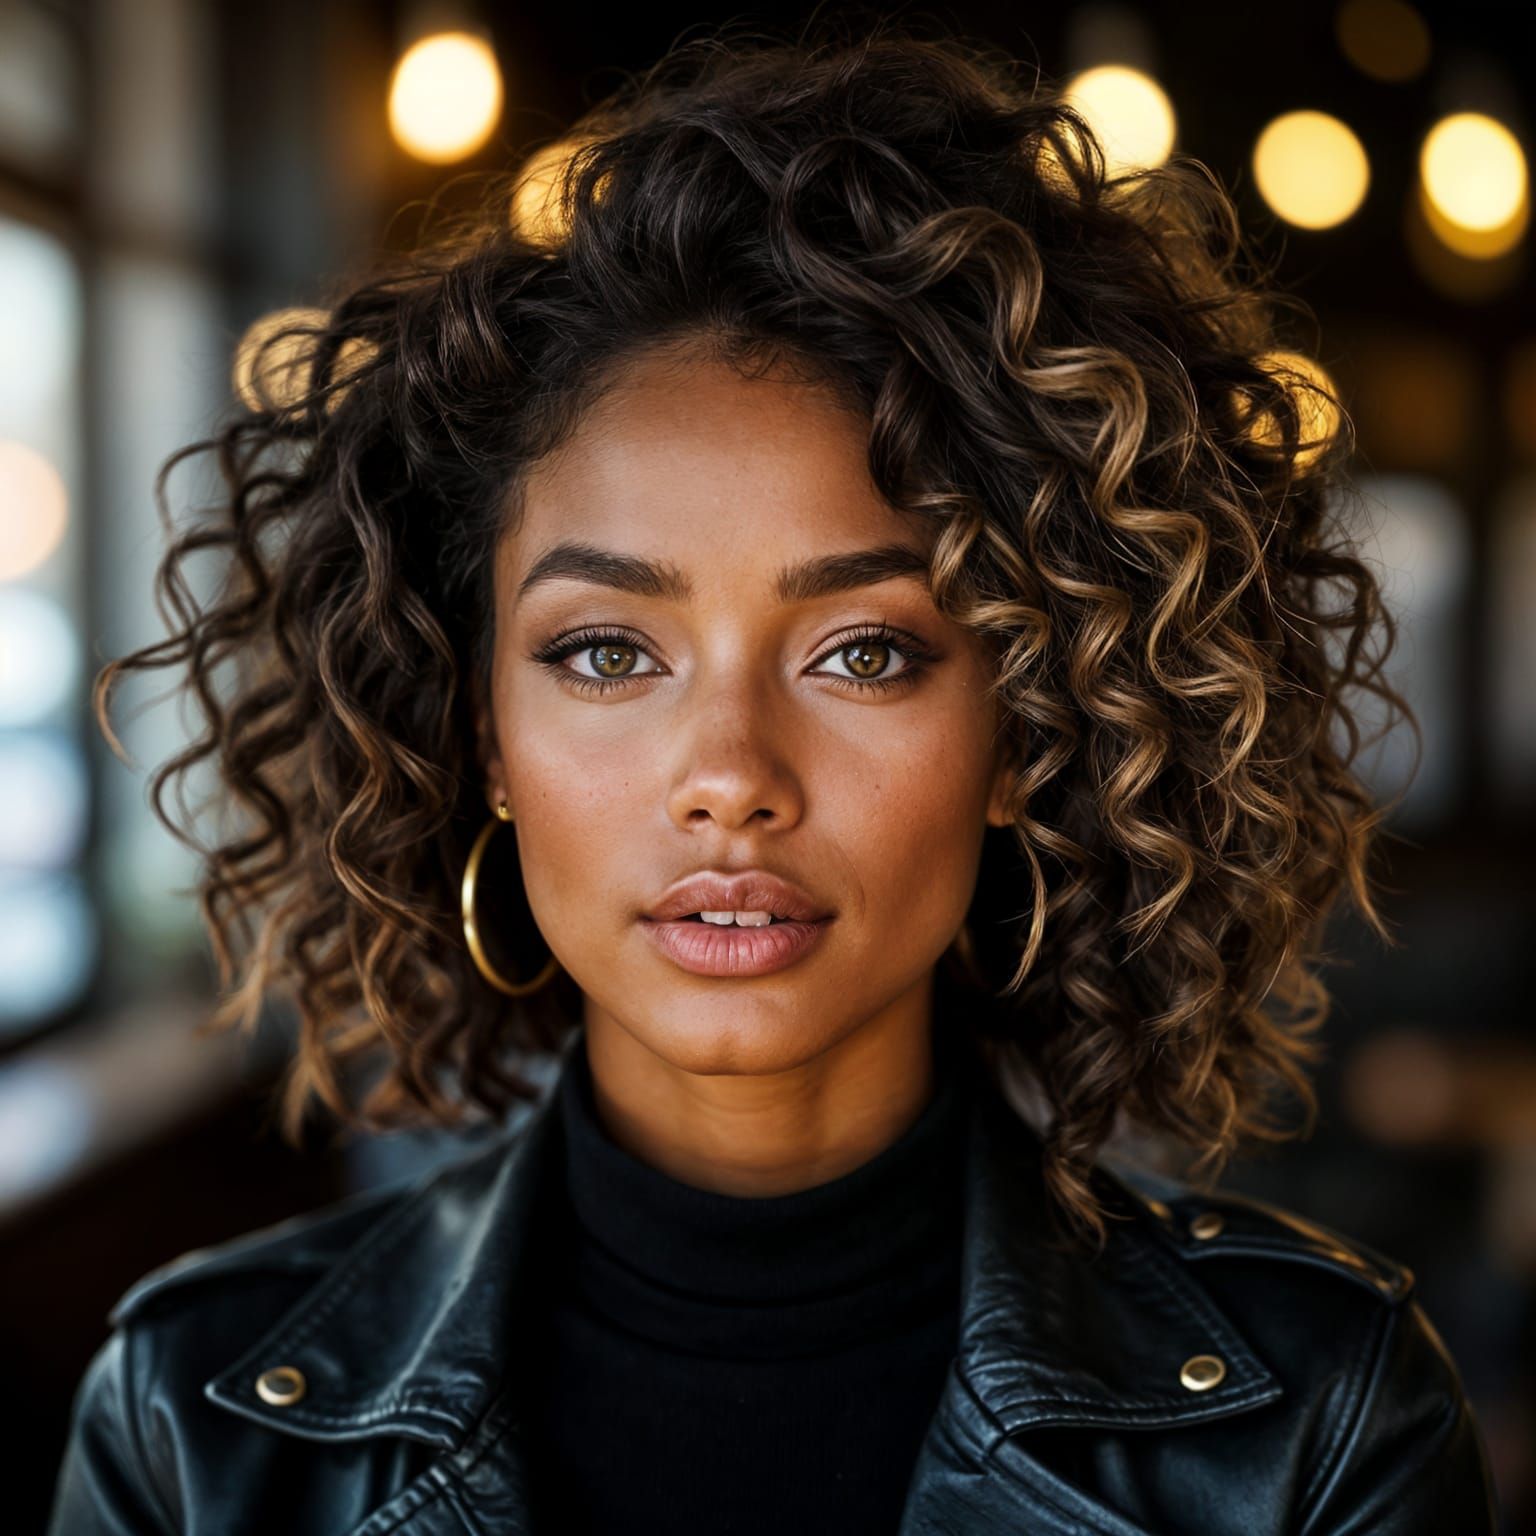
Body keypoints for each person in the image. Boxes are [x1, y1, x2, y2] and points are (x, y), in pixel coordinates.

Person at [46, 21, 1500, 1535]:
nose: (730, 779)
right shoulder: (191, 1425)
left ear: (1024, 735)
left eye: (864, 652)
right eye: (607, 652)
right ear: (483, 738)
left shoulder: (1322, 1426)